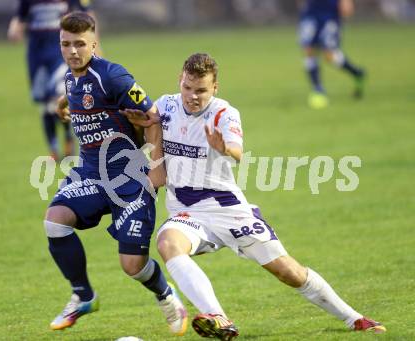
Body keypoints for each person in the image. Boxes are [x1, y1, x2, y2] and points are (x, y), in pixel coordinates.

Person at [125, 53, 385, 340]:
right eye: (188, 87)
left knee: (288, 272)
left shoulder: (225, 114)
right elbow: (152, 152)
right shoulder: (165, 106)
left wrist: (224, 147)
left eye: (201, 90)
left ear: (215, 88)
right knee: (167, 243)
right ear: (180, 81)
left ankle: (355, 318)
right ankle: (218, 317)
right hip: (188, 213)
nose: (193, 96)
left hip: (227, 210)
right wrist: (141, 127)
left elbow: (237, 152)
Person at [44, 12, 187, 334]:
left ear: (94, 44)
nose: (72, 51)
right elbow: (79, 94)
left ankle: (166, 295)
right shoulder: (70, 76)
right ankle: (83, 295)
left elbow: (152, 118)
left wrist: (156, 171)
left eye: (80, 44)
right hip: (91, 172)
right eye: (66, 44)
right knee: (55, 221)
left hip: (129, 179)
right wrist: (63, 106)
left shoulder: (114, 76)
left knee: (132, 266)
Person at [7, 0, 97, 160]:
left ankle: (68, 139)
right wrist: (14, 29)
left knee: (59, 97)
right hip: (36, 55)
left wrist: (93, 43)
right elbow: (20, 17)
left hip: (60, 53)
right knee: (44, 104)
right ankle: (53, 149)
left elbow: (87, 13)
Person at [297, 0, 365, 109]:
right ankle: (318, 89)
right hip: (310, 15)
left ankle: (357, 72)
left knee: (329, 55)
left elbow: (347, 10)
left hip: (330, 17)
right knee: (308, 50)